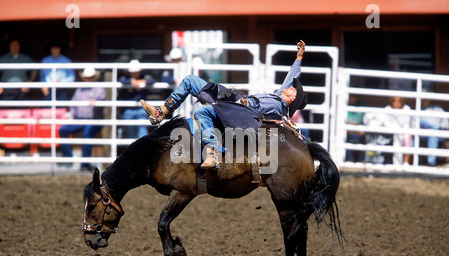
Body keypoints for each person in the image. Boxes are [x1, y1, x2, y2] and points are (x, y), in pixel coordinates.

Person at [141, 40, 308, 169]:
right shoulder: (279, 98)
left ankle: (212, 152)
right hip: (234, 100)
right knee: (190, 81)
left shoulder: (279, 107)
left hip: (241, 111)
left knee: (202, 112)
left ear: (293, 98)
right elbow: (292, 75)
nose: (290, 87)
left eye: (293, 89)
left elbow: (260, 111)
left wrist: (243, 103)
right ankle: (160, 112)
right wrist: (299, 58)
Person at [58, 67, 106, 171]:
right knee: (63, 130)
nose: (88, 79)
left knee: (87, 135)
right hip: (78, 119)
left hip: (93, 120)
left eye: (90, 77)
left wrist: (97, 102)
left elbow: (101, 98)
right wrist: (71, 115)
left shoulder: (99, 88)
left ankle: (85, 163)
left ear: (94, 78)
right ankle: (68, 157)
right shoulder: (80, 89)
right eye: (87, 77)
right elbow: (73, 103)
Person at [118, 60, 154, 138]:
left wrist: (139, 82)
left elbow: (151, 81)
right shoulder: (126, 78)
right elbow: (121, 81)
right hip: (128, 109)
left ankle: (141, 148)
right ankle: (134, 148)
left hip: (141, 109)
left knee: (142, 129)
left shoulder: (145, 77)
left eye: (136, 72)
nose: (134, 73)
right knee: (130, 132)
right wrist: (131, 81)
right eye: (132, 72)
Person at [384, 96, 414, 165]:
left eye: (399, 101)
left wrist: (400, 131)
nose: (396, 103)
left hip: (403, 131)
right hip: (390, 131)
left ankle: (405, 162)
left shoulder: (406, 109)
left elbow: (407, 123)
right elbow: (385, 122)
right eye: (394, 101)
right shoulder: (387, 109)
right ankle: (396, 163)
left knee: (406, 137)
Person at [420, 99, 449, 166]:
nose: (424, 101)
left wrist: (438, 128)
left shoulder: (437, 109)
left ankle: (431, 162)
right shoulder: (419, 109)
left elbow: (445, 123)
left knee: (433, 134)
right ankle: (412, 160)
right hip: (422, 133)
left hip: (436, 132)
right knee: (412, 136)